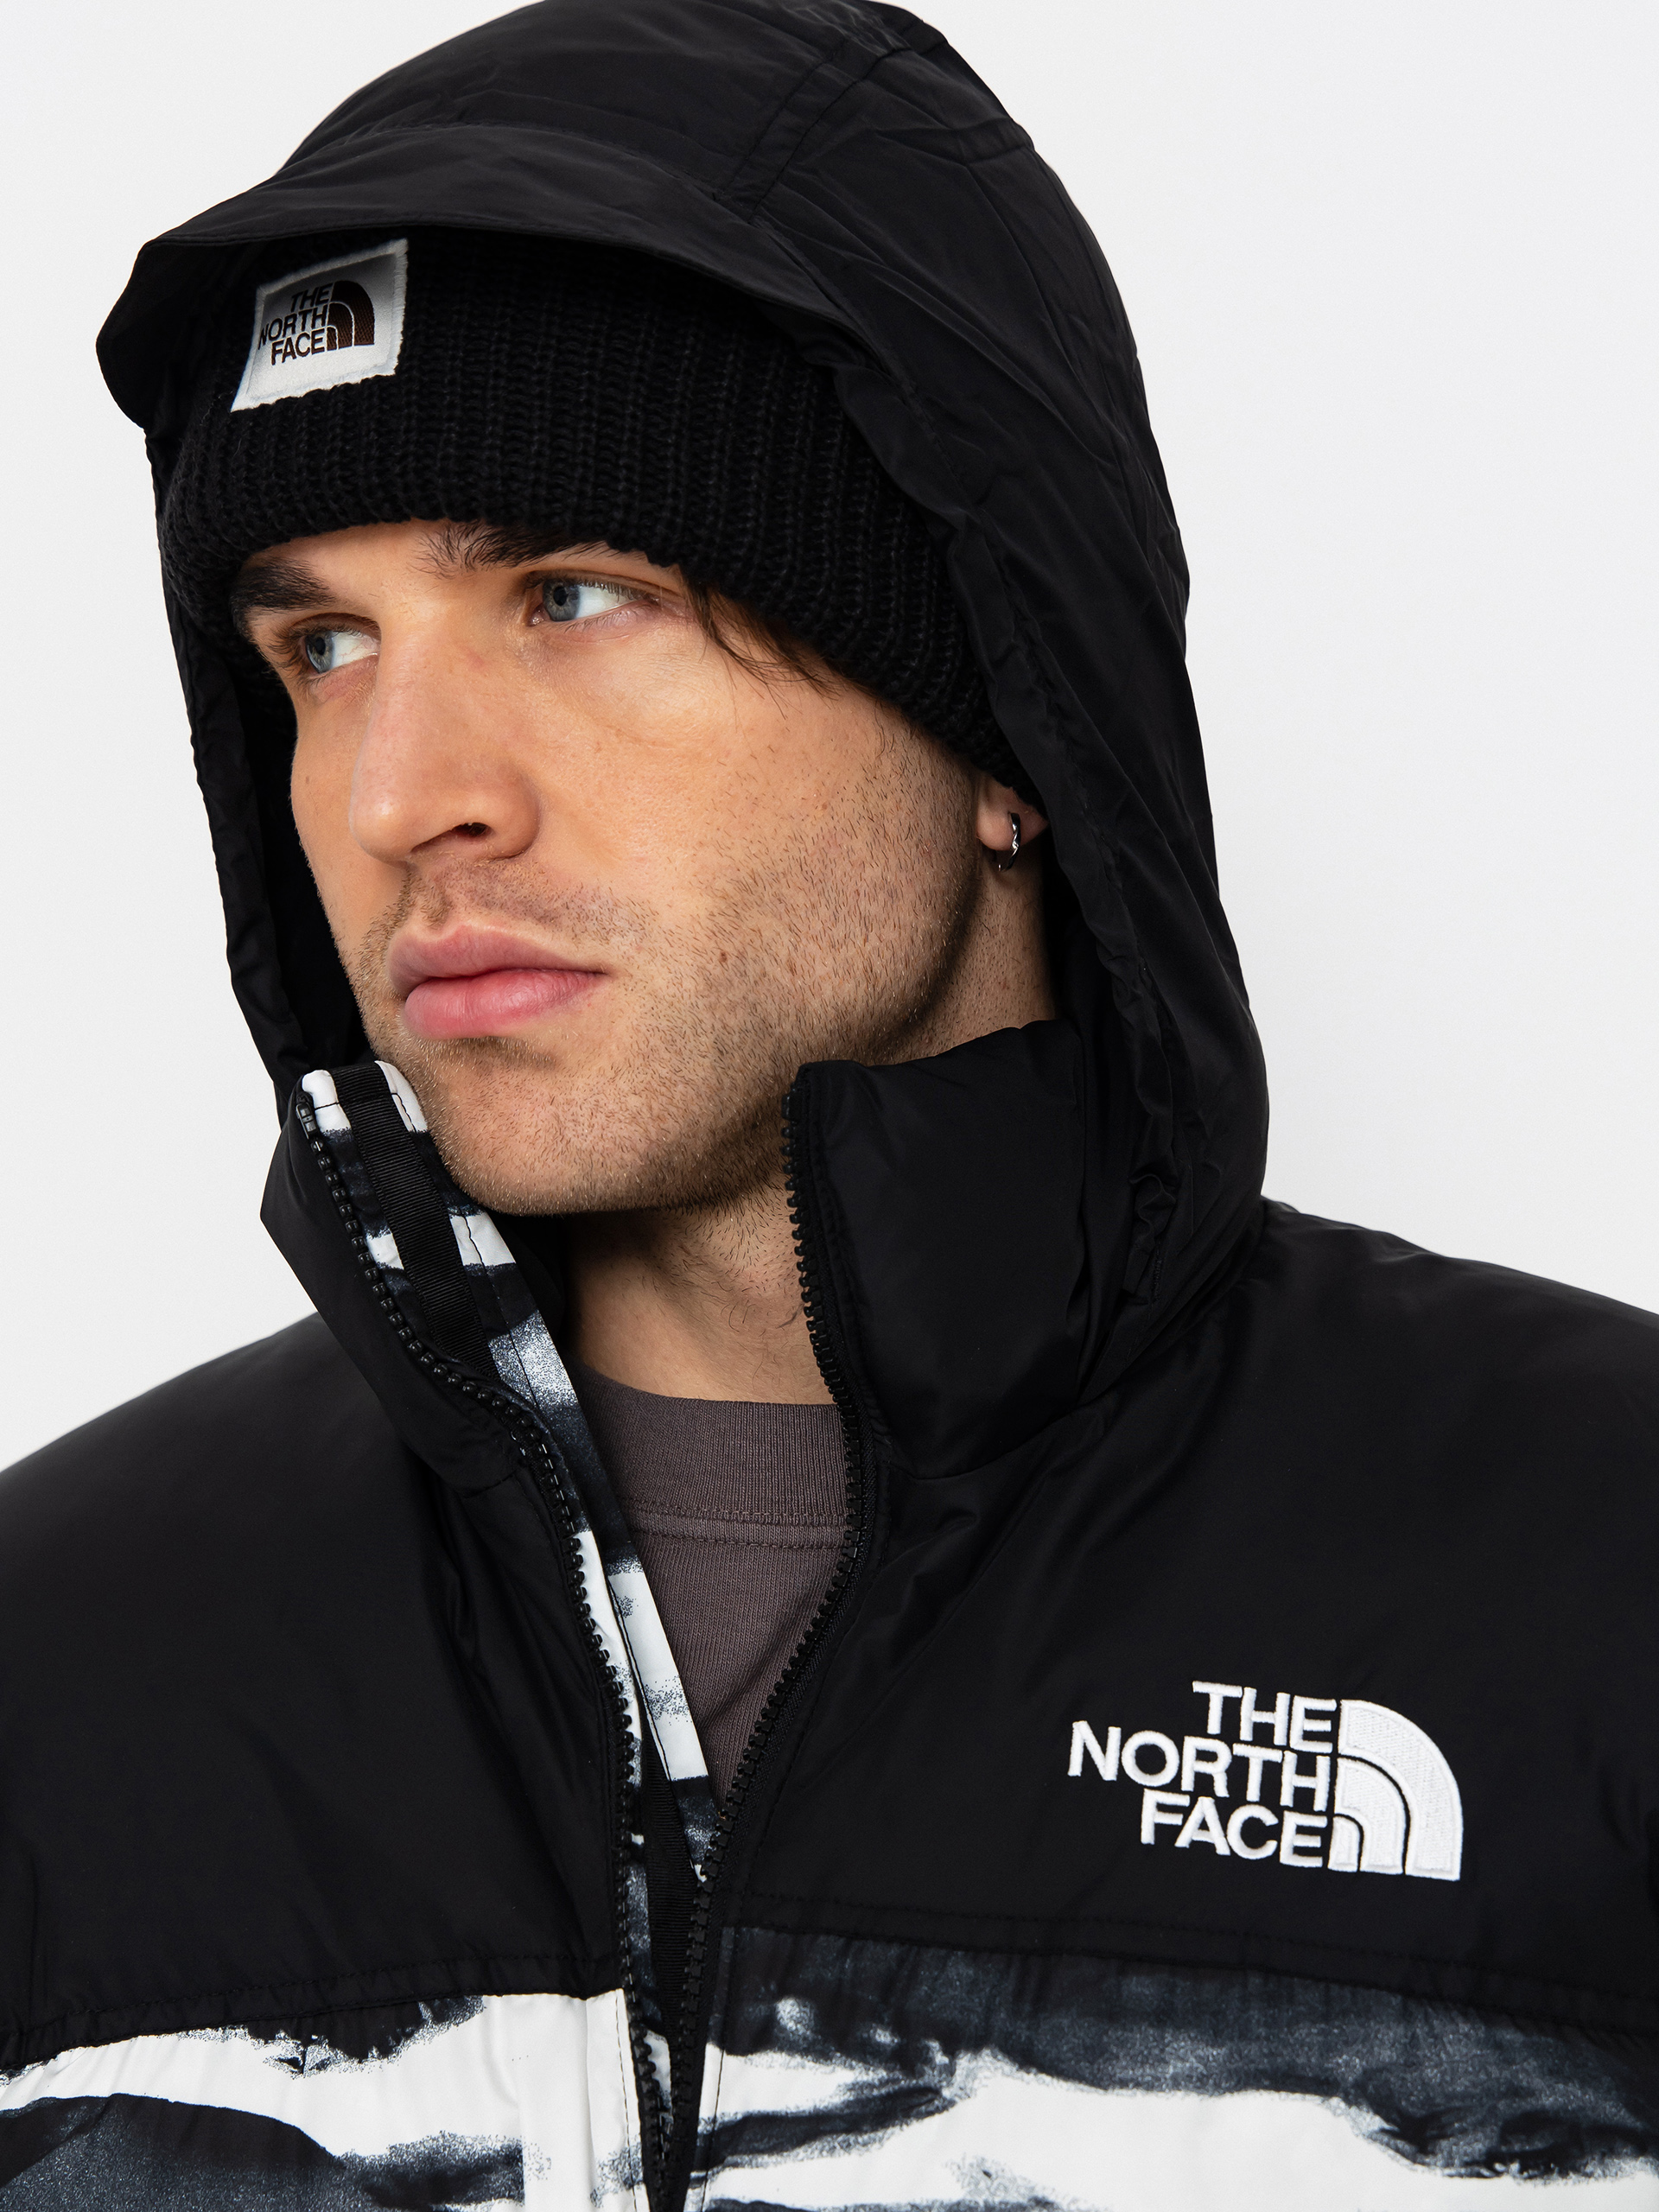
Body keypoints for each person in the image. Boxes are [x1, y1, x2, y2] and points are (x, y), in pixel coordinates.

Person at [2, 0, 1656, 2202]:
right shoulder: (56, 1665)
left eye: (574, 593)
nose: (401, 797)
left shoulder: (1601, 1581)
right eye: (322, 646)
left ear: (1007, 734)